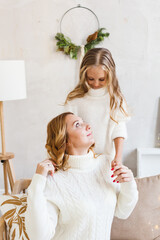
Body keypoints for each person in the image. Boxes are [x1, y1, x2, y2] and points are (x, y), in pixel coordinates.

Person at [25, 112, 138, 240]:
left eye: (83, 121)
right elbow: (38, 236)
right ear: (65, 140)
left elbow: (123, 212)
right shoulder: (54, 179)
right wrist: (38, 181)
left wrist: (128, 183)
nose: (88, 126)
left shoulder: (106, 164)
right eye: (77, 125)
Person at [64, 48, 130, 168]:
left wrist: (118, 158)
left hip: (107, 162)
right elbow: (65, 132)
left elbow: (119, 130)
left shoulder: (115, 100)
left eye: (101, 79)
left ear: (110, 76)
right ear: (84, 75)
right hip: (80, 162)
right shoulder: (74, 100)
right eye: (91, 79)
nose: (95, 84)